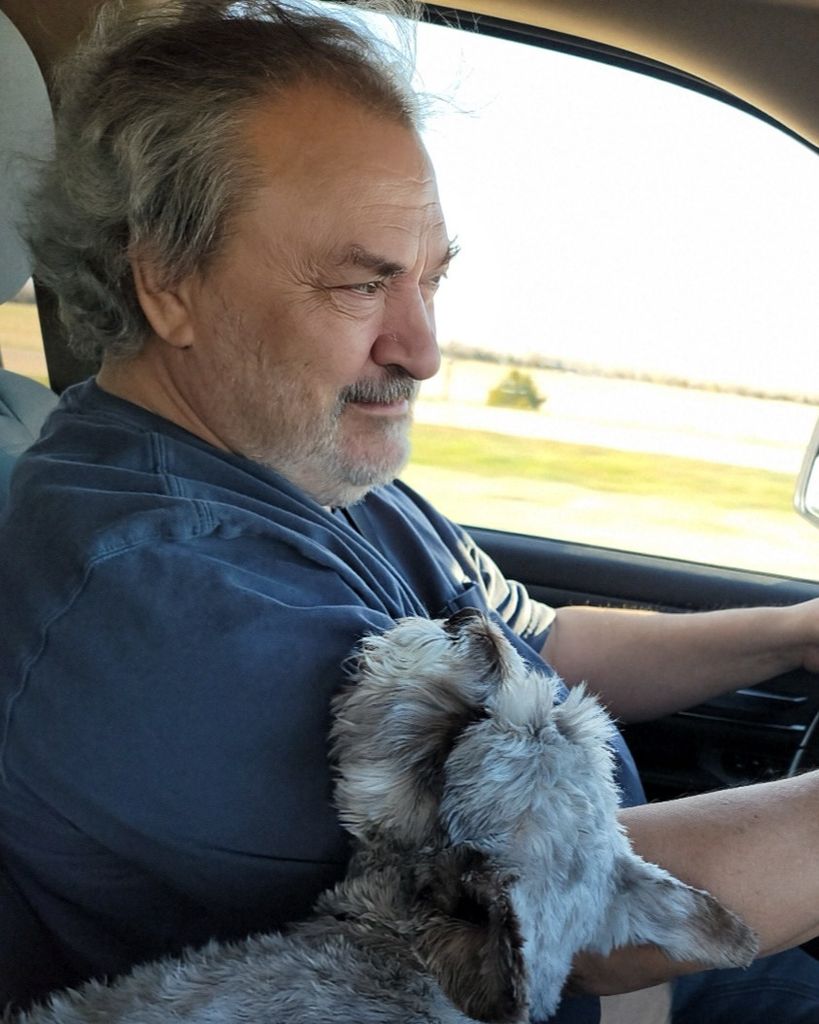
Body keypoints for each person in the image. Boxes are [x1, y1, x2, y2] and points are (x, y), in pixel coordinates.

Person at [1, 1, 819, 1021]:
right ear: (168, 280)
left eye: (430, 279)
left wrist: (791, 633)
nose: (423, 350)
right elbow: (561, 917)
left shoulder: (301, 462)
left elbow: (543, 641)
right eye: (361, 284)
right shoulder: (162, 591)